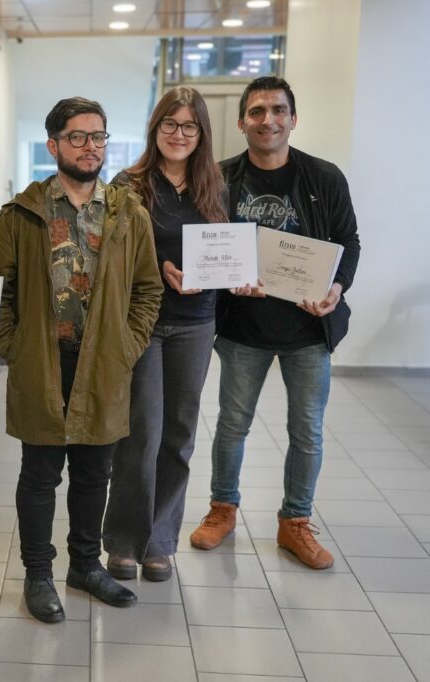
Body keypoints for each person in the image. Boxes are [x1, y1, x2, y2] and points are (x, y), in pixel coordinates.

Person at [0, 97, 163, 622]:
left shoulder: (129, 214)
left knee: (94, 474)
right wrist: (15, 346)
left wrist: (127, 346)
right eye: (77, 137)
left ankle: (85, 565)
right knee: (41, 475)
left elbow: (148, 289)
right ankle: (38, 574)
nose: (89, 147)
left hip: (104, 364)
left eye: (98, 137)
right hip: (42, 361)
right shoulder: (22, 214)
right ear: (53, 145)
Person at [189, 76, 361, 569]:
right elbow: (205, 247)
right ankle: (222, 509)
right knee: (232, 425)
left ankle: (295, 522)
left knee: (307, 431)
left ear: (293, 119)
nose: (269, 120)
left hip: (309, 331)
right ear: (242, 121)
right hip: (243, 329)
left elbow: (348, 240)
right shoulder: (219, 178)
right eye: (258, 111)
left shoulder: (324, 177)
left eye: (279, 110)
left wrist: (336, 287)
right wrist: (228, 281)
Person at [102, 87, 227, 582]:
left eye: (189, 126)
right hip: (144, 322)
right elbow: (110, 254)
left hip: (196, 323)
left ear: (202, 133)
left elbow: (228, 250)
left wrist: (237, 275)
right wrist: (159, 267)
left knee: (179, 434)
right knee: (142, 432)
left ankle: (159, 541)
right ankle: (124, 541)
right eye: (170, 124)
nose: (179, 134)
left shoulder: (215, 187)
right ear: (156, 128)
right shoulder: (129, 184)